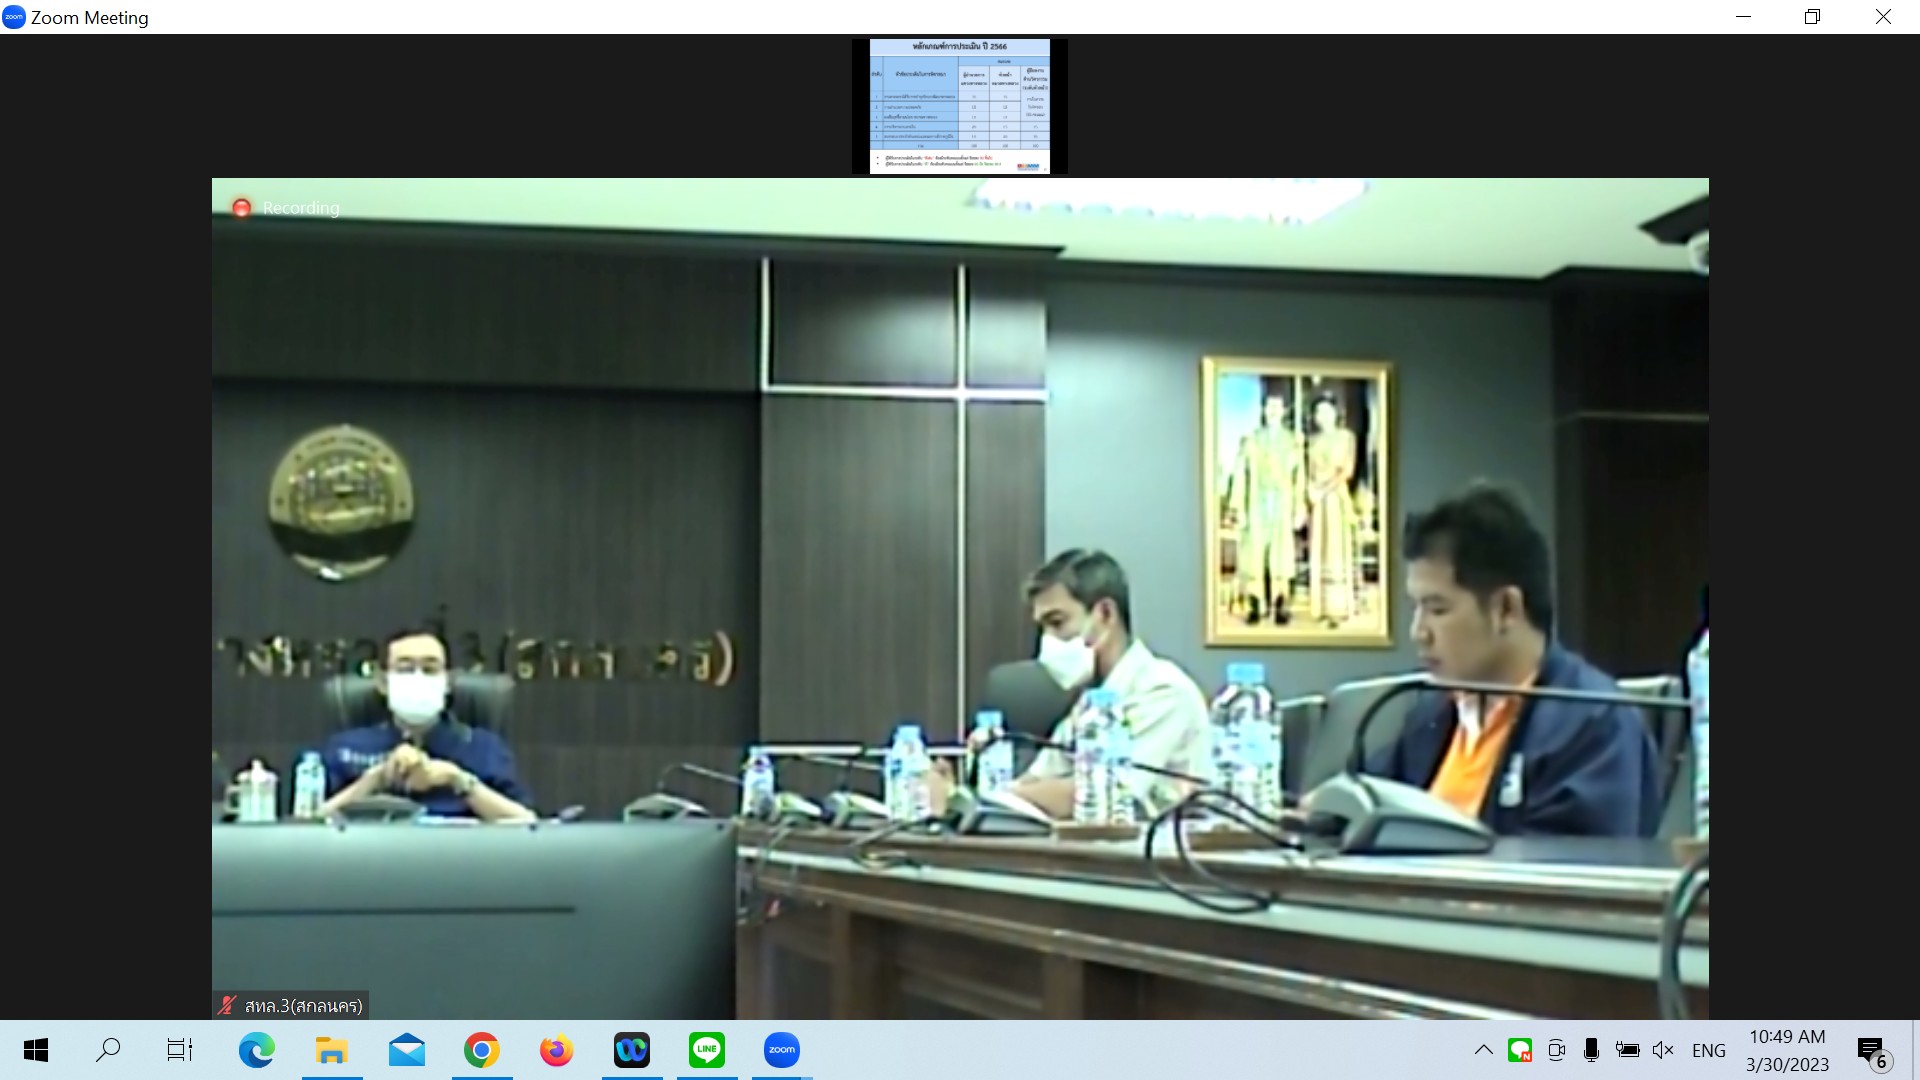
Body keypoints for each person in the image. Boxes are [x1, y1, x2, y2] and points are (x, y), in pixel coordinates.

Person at [1363, 484, 1659, 837]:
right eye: (1417, 609)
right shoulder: (1431, 715)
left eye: (1437, 609)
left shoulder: (1594, 724)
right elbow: (1365, 801)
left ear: (1506, 609)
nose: (1418, 632)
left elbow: (1567, 863)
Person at [991, 549, 1212, 819]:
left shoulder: (1165, 692)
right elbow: (1035, 781)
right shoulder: (1089, 700)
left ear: (1105, 614)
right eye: (1042, 628)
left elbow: (1106, 793)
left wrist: (1001, 795)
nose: (1047, 640)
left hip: (1164, 842)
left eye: (1057, 623)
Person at [317, 627, 537, 822]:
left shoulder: (483, 747)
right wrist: (375, 780)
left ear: (448, 682)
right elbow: (311, 824)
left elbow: (526, 822)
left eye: (430, 669)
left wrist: (460, 782)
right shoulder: (346, 747)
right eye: (405, 669)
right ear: (382, 682)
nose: (418, 677)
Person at [1224, 392, 1303, 624]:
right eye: (1270, 407)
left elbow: (1299, 477)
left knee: (1281, 555)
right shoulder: (1252, 440)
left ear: (1284, 411)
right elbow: (1240, 473)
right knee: (1254, 554)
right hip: (1257, 501)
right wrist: (1237, 506)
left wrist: (1299, 507)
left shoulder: (1292, 441)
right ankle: (1255, 604)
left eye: (1278, 407)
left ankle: (1280, 603)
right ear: (1263, 410)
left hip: (1282, 502)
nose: (1273, 411)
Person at [1305, 396, 1361, 627]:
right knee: (1319, 549)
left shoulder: (1346, 437)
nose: (1323, 416)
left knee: (1336, 550)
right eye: (1319, 412)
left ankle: (1339, 609)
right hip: (1317, 502)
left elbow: (1347, 470)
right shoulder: (1312, 441)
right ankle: (1321, 608)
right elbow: (1308, 472)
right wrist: (1311, 491)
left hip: (1336, 498)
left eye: (1327, 411)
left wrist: (1323, 490)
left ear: (1335, 413)